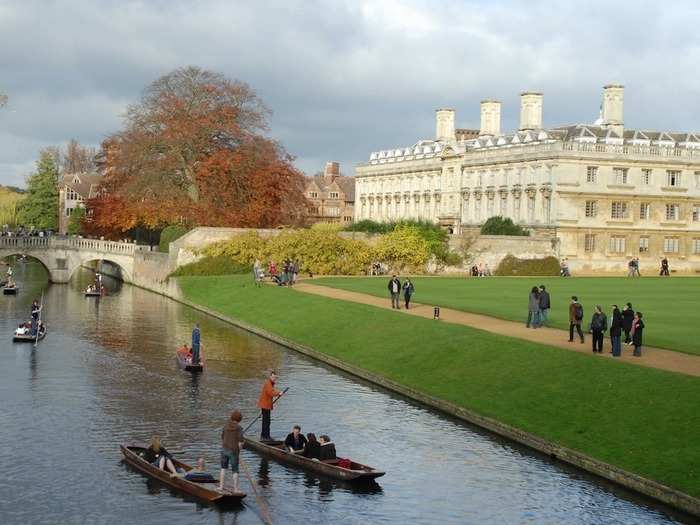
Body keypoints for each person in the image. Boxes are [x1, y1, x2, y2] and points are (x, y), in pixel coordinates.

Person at [220, 410, 244, 492]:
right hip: (233, 451)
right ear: (239, 419)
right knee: (235, 470)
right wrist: (239, 451)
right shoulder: (239, 428)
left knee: (223, 468)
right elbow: (240, 442)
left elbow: (222, 436)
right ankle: (236, 489)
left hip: (224, 449)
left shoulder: (225, 426)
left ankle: (221, 487)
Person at [257, 371, 282, 441]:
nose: (274, 378)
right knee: (266, 421)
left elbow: (271, 392)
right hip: (265, 405)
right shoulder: (268, 383)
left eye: (275, 377)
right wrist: (279, 393)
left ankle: (265, 435)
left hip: (266, 405)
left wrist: (277, 393)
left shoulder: (270, 383)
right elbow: (271, 392)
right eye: (273, 377)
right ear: (270, 377)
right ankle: (265, 437)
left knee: (266, 421)